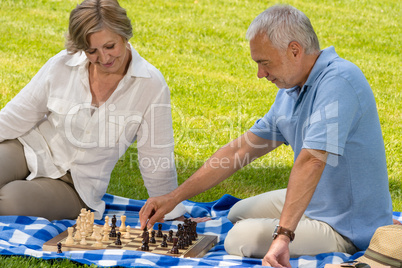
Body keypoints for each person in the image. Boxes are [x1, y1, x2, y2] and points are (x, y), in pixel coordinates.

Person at [139, 4, 394, 267]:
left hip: (347, 223)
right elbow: (240, 151)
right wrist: (174, 197)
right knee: (237, 212)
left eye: (264, 62)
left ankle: (340, 234)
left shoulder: (339, 81)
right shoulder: (292, 89)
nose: (260, 74)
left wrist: (283, 236)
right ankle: (296, 217)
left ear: (295, 50)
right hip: (318, 199)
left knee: (239, 238)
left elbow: (312, 161)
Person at [0, 0, 185, 221]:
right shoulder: (61, 64)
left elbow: (156, 158)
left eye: (110, 46)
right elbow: (15, 116)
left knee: (8, 201)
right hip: (29, 147)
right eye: (91, 51)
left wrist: (172, 213)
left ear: (124, 35)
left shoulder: (150, 85)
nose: (104, 58)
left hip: (75, 187)